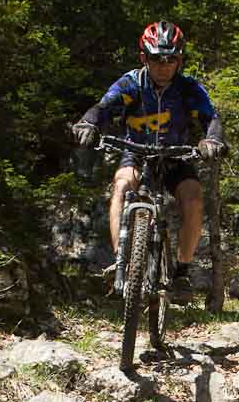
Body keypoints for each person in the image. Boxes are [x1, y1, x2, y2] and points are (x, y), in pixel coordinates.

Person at [72, 20, 225, 303]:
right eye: (156, 59)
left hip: (175, 155)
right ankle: (121, 264)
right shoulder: (131, 82)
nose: (164, 66)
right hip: (136, 152)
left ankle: (181, 271)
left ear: (180, 60)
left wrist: (211, 140)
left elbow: (210, 118)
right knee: (121, 186)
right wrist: (88, 123)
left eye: (171, 59)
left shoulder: (188, 88)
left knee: (193, 198)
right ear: (144, 57)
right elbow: (103, 108)